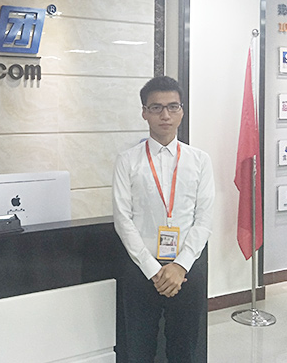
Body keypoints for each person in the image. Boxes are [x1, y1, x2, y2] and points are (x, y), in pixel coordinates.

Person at [112, 75, 215, 363]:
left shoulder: (200, 160)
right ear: (144, 112)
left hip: (187, 268)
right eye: (156, 107)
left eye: (172, 107)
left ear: (182, 111)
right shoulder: (127, 160)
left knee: (186, 348)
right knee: (139, 347)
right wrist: (153, 270)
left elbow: (204, 218)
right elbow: (123, 220)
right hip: (141, 269)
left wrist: (180, 266)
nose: (165, 115)